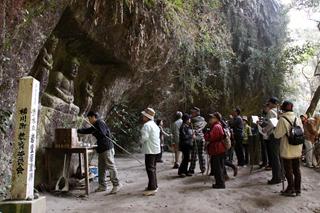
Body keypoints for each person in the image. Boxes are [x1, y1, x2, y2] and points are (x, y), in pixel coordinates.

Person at [77, 111, 121, 194]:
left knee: (110, 166)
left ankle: (117, 184)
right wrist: (78, 130)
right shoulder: (95, 125)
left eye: (89, 118)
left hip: (107, 148)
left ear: (93, 117)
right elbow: (88, 130)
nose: (89, 121)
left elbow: (102, 134)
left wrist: (95, 131)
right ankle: (102, 186)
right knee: (101, 168)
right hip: (101, 149)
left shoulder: (99, 122)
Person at [274, 101, 303, 197]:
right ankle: (298, 189)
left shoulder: (282, 119)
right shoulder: (297, 118)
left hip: (287, 149)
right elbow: (301, 132)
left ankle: (290, 189)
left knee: (288, 170)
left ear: (283, 108)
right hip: (297, 148)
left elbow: (277, 135)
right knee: (296, 169)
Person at [140, 108, 161, 196]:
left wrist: (140, 141)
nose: (142, 117)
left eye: (144, 115)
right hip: (156, 149)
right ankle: (153, 185)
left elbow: (144, 138)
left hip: (150, 150)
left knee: (150, 169)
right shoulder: (154, 125)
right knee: (153, 168)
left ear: (146, 117)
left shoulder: (146, 125)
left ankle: (152, 188)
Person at [262, 97, 282, 185]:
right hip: (280, 135)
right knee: (279, 157)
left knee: (274, 158)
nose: (268, 105)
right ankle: (282, 175)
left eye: (269, 103)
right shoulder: (280, 111)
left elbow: (271, 124)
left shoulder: (271, 112)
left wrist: (264, 130)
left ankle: (276, 178)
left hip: (273, 135)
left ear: (272, 103)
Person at [205, 112, 226, 189]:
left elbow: (209, 137)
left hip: (217, 149)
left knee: (217, 167)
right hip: (218, 149)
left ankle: (220, 184)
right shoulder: (217, 126)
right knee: (218, 167)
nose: (210, 119)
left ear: (216, 118)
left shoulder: (216, 127)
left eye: (212, 118)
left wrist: (206, 133)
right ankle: (220, 183)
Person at [189, 107, 207, 174]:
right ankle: (203, 168)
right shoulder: (203, 119)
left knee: (193, 155)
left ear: (196, 113)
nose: (191, 113)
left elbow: (190, 128)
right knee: (201, 154)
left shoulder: (193, 119)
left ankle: (191, 169)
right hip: (202, 138)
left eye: (193, 112)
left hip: (195, 138)